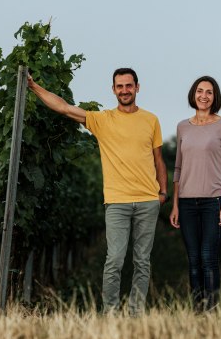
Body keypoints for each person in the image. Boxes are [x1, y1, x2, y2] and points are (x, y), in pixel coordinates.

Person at [28, 67, 168, 315]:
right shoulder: (103, 120)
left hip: (148, 200)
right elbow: (65, 108)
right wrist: (34, 87)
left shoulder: (151, 120)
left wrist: (163, 193)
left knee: (142, 262)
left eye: (128, 85)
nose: (124, 90)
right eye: (120, 86)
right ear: (114, 90)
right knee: (114, 260)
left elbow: (158, 160)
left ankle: (136, 313)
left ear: (137, 87)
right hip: (117, 202)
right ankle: (111, 313)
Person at [168, 76, 221, 311]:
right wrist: (175, 204)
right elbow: (177, 167)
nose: (204, 96)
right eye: (200, 91)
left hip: (214, 201)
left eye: (209, 92)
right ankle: (198, 310)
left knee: (208, 258)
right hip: (186, 203)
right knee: (194, 260)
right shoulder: (182, 126)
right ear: (193, 94)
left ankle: (212, 310)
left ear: (215, 96)